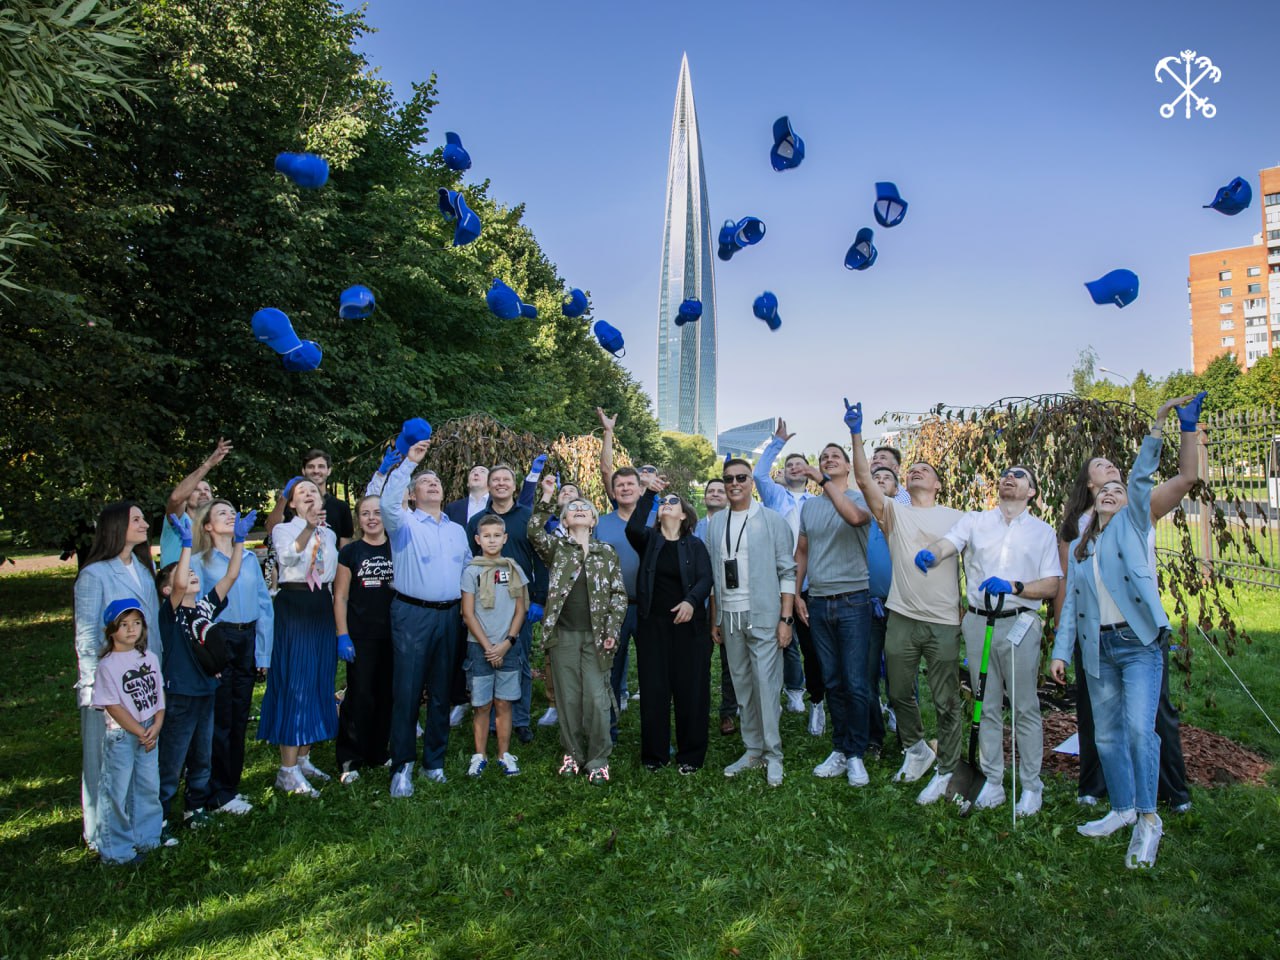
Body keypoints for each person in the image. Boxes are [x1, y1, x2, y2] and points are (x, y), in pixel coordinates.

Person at [1055, 392, 1204, 814]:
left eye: (1116, 470)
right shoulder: (1074, 528)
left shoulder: (1137, 510)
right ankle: (1103, 792)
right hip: (1093, 635)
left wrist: (1182, 429)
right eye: (1100, 466)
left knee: (1150, 719)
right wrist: (1064, 646)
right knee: (1100, 722)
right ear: (1088, 484)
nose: (1110, 468)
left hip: (1136, 635)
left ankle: (1169, 794)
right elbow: (1071, 588)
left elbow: (1183, 478)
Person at [917, 464, 1063, 815]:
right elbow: (949, 543)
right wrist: (932, 555)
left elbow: (1052, 584)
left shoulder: (1042, 532)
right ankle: (993, 782)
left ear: (1032, 492)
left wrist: (1016, 587)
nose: (1009, 478)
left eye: (1020, 476)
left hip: (1019, 622)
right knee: (987, 704)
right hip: (978, 622)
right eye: (1006, 474)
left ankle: (1031, 786)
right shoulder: (976, 521)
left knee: (1024, 706)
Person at [848, 400, 966, 806]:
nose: (916, 470)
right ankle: (916, 750)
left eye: (925, 470)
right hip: (901, 615)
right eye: (911, 468)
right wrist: (857, 434)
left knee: (946, 698)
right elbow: (865, 481)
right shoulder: (894, 515)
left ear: (937, 485)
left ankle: (948, 768)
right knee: (899, 691)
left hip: (944, 621)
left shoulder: (957, 517)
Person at [379, 442, 470, 795]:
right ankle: (402, 766)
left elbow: (466, 573)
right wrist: (408, 464)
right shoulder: (403, 525)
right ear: (413, 495)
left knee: (442, 694)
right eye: (425, 482)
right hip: (412, 615)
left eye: (436, 481)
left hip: (449, 617)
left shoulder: (456, 530)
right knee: (407, 690)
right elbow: (388, 503)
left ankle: (434, 762)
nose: (432, 484)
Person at [155, 510, 251, 840]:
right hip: (181, 695)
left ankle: (194, 808)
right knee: (172, 761)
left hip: (206, 692)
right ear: (168, 590)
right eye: (182, 578)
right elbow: (180, 582)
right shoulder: (169, 616)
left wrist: (239, 541)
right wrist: (185, 546)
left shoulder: (204, 609)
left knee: (202, 757)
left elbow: (231, 576)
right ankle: (160, 818)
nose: (190, 576)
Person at [528, 475, 629, 784]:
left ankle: (598, 758)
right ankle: (573, 753)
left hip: (598, 638)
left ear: (594, 518)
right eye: (573, 508)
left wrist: (612, 628)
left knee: (598, 700)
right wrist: (546, 495)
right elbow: (533, 531)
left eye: (585, 507)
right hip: (563, 637)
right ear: (565, 520)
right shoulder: (557, 548)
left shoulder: (606, 552)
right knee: (569, 699)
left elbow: (619, 595)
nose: (580, 509)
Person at [73, 501, 158, 851]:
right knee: (108, 768)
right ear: (115, 527)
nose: (144, 523)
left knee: (144, 763)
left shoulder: (141, 566)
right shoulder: (95, 575)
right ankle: (102, 836)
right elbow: (88, 636)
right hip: (110, 691)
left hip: (143, 683)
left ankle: (145, 834)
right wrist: (97, 691)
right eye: (135, 519)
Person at [706, 459, 797, 787]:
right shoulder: (716, 524)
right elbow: (716, 574)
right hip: (730, 618)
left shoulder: (771, 521)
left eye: (741, 477)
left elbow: (788, 571)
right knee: (743, 686)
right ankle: (752, 749)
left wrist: (786, 619)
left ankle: (774, 755)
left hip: (764, 615)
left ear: (751, 482)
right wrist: (715, 617)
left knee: (766, 687)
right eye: (728, 478)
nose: (734, 483)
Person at [792, 442, 874, 787]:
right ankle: (840, 749)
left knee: (855, 682)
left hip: (854, 599)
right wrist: (796, 594)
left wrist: (823, 480)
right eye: (823, 457)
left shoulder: (860, 498)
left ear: (846, 467)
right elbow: (802, 552)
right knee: (833, 681)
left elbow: (854, 519)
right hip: (820, 601)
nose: (827, 460)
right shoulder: (809, 507)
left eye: (834, 458)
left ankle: (856, 754)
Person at [257, 477, 341, 797]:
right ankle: (287, 770)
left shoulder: (329, 534)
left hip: (321, 605)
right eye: (301, 493)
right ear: (292, 503)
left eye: (313, 492)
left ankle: (304, 759)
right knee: (296, 682)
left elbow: (329, 575)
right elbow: (290, 558)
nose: (308, 495)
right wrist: (306, 527)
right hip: (295, 604)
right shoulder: (284, 529)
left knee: (318, 679)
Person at [190, 499, 274, 816]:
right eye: (221, 513)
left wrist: (263, 652)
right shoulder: (199, 562)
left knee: (238, 717)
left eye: (231, 512)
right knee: (219, 719)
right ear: (207, 526)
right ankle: (214, 793)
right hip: (218, 639)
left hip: (247, 638)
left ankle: (229, 788)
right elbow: (195, 612)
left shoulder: (250, 559)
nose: (230, 516)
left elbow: (264, 606)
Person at [625, 476, 714, 773]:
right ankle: (655, 756)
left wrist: (690, 601)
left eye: (672, 501)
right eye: (664, 502)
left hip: (690, 628)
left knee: (691, 689)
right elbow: (633, 527)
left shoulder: (695, 545)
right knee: (654, 689)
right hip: (654, 626)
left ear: (685, 514)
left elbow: (705, 578)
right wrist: (651, 492)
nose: (666, 504)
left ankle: (690, 756)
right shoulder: (649, 541)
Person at [753, 417, 824, 731]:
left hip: (810, 584)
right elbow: (757, 473)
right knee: (775, 640)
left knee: (811, 646)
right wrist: (777, 444)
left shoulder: (820, 502)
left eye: (800, 463)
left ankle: (814, 701)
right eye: (789, 463)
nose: (795, 466)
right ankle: (773, 696)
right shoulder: (775, 497)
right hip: (776, 581)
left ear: (808, 473)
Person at [466, 464, 539, 744]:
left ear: (514, 485)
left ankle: (519, 719)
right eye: (494, 480)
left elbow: (539, 559)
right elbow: (469, 561)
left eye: (505, 479)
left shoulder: (526, 517)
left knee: (518, 659)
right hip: (485, 605)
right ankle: (491, 717)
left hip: (519, 602)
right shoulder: (478, 520)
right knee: (486, 658)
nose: (500, 484)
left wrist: (540, 598)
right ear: (489, 485)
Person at [92, 598, 165, 865]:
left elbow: (158, 696)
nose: (131, 629)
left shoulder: (150, 658)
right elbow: (113, 705)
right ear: (111, 630)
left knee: (147, 786)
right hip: (123, 735)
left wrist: (156, 725)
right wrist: (139, 731)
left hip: (149, 730)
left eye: (136, 623)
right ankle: (115, 851)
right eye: (123, 624)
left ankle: (146, 839)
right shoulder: (107, 666)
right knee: (116, 791)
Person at [596, 408, 655, 716]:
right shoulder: (602, 523)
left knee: (652, 671)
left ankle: (654, 730)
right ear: (614, 491)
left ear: (639, 488)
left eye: (630, 484)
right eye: (619, 486)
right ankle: (609, 728)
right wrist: (608, 432)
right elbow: (607, 470)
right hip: (613, 608)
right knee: (611, 669)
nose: (624, 488)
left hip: (648, 606)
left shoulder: (655, 518)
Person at [333, 495, 395, 784]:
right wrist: (342, 633)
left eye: (377, 513)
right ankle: (350, 758)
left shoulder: (397, 547)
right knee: (359, 696)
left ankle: (378, 752)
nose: (371, 518)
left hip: (393, 635)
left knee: (385, 695)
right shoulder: (350, 553)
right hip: (360, 635)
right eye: (365, 513)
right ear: (359, 519)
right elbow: (341, 595)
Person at [461, 515, 529, 777]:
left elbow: (520, 609)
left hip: (508, 646)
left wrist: (507, 642)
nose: (491, 540)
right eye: (486, 536)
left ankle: (504, 753)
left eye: (496, 535)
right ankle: (479, 755)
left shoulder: (514, 569)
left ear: (505, 538)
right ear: (478, 539)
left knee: (504, 702)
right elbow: (468, 613)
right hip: (480, 646)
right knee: (482, 704)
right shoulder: (471, 571)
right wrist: (489, 646)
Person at [534, 478, 584, 730]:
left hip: (583, 604)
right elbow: (532, 532)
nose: (566, 493)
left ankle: (580, 703)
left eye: (572, 491)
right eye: (563, 491)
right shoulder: (549, 530)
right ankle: (554, 703)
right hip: (553, 601)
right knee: (552, 652)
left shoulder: (589, 531)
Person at [695, 478, 739, 737]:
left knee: (730, 662)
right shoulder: (693, 527)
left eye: (719, 491)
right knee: (698, 661)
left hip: (728, 602)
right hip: (698, 605)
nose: (714, 494)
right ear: (705, 498)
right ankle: (698, 709)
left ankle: (728, 712)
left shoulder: (735, 526)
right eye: (710, 491)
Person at [159, 438, 233, 565]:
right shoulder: (179, 521)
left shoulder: (213, 526)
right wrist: (208, 464)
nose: (203, 492)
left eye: (206, 489)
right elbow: (176, 499)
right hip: (173, 583)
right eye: (196, 490)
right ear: (186, 498)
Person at [266, 448, 354, 547]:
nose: (316, 471)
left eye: (321, 466)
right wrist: (284, 498)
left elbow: (344, 550)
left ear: (329, 471)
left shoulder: (341, 507)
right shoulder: (291, 504)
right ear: (303, 471)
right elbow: (271, 529)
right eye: (311, 467)